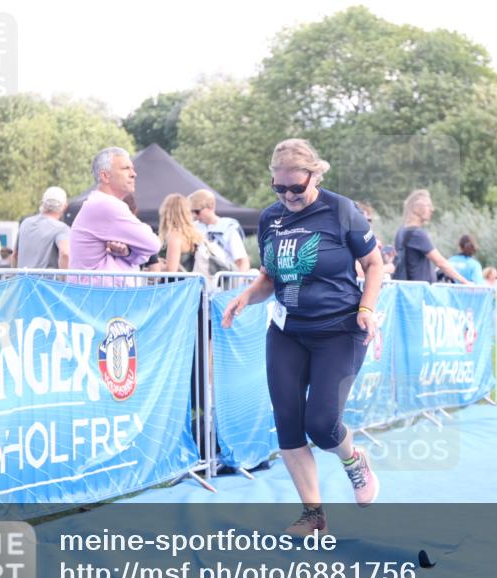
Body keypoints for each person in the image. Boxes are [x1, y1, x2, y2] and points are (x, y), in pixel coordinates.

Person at [221, 138, 384, 535]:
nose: (289, 196)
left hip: (340, 330)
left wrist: (366, 308)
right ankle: (313, 515)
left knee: (323, 424)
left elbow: (374, 263)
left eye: (297, 187)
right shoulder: (269, 219)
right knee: (289, 423)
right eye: (280, 188)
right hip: (287, 331)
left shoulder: (341, 210)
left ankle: (353, 461)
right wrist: (246, 296)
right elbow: (269, 276)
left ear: (315, 175)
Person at [69, 147, 161, 282]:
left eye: (132, 168)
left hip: (100, 296)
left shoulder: (99, 203)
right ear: (105, 176)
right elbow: (153, 244)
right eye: (125, 168)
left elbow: (148, 251)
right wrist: (133, 252)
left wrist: (128, 252)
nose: (133, 174)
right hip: (101, 297)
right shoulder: (107, 205)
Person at [392, 190, 470, 284]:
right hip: (418, 293)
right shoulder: (418, 234)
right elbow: (441, 263)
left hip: (406, 290)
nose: (432, 209)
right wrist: (465, 282)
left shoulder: (400, 232)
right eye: (428, 205)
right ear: (417, 208)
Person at [189, 189, 251, 272]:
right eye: (192, 211)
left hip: (223, 281)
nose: (194, 215)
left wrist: (237, 282)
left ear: (210, 207)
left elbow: (242, 262)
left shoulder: (228, 228)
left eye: (197, 211)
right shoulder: (193, 228)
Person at [15, 187, 71, 269]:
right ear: (65, 206)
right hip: (47, 281)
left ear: (42, 203)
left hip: (23, 280)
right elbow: (65, 253)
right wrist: (65, 279)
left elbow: (15, 255)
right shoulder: (61, 228)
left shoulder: (25, 223)